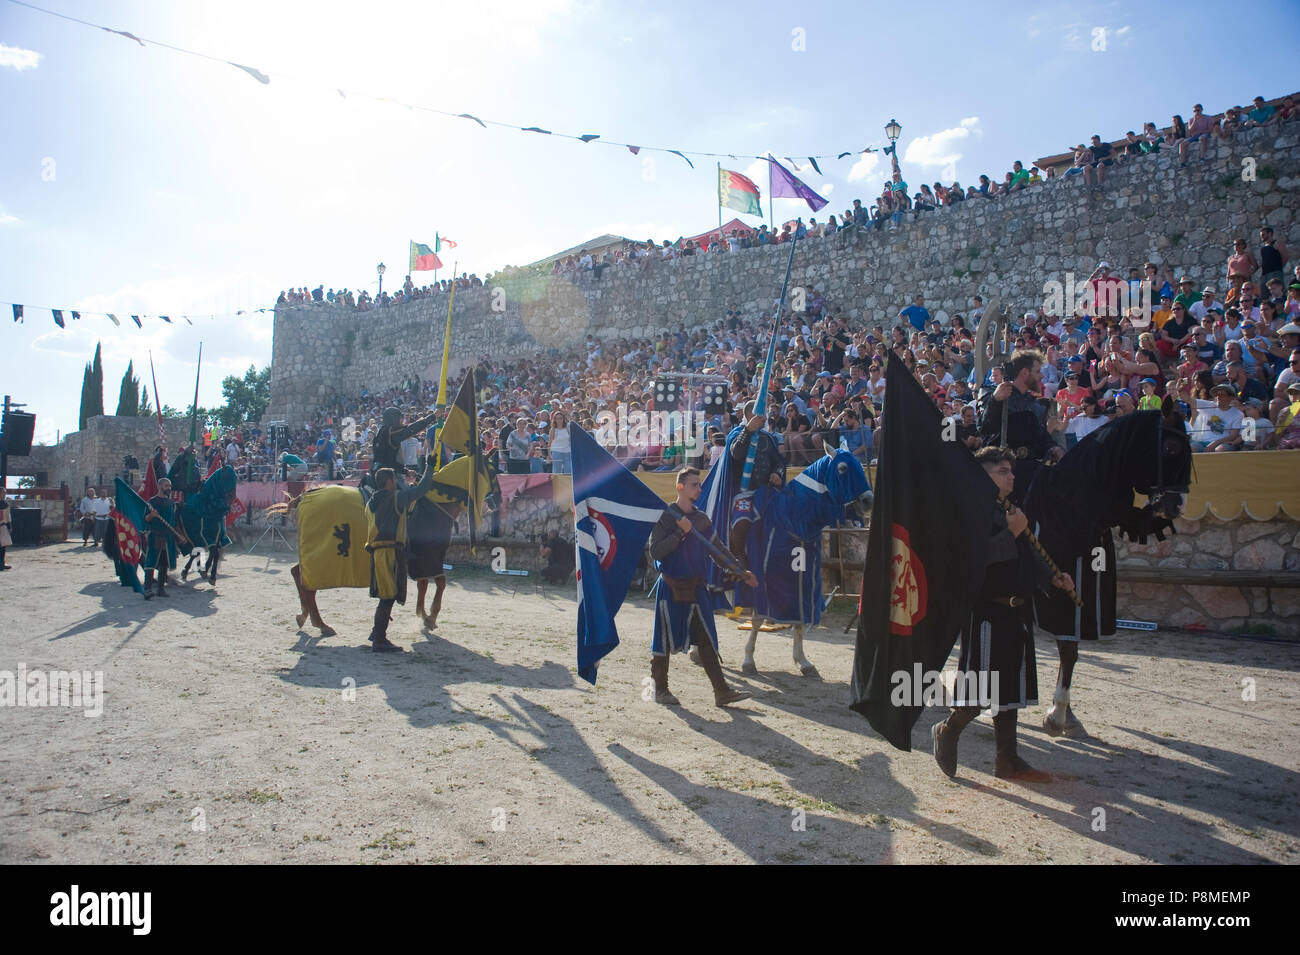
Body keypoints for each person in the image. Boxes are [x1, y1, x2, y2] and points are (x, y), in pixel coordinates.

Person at [931, 447, 1075, 782]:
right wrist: (1011, 531)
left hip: (1017, 612)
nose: (1011, 476)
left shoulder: (1010, 510)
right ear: (983, 476)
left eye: (1011, 471)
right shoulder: (970, 513)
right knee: (981, 688)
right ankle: (947, 731)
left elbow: (1028, 554)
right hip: (986, 613)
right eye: (1002, 471)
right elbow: (973, 559)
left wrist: (1051, 577)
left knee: (1010, 690)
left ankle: (1007, 760)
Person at [648, 467, 756, 708]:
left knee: (706, 638)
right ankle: (660, 689)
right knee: (663, 640)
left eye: (699, 484)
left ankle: (722, 691)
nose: (699, 488)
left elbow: (718, 551)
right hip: (671, 587)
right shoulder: (666, 516)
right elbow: (656, 551)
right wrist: (680, 532)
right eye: (694, 484)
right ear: (680, 487)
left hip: (696, 588)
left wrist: (740, 571)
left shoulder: (701, 519)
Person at [365, 458, 437, 652]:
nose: (396, 482)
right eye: (394, 480)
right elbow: (421, 490)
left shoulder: (371, 502)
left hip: (377, 552)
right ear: (389, 481)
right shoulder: (396, 498)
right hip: (390, 552)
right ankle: (379, 640)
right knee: (388, 596)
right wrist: (430, 467)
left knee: (385, 594)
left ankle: (376, 631)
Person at [979, 349, 1065, 504]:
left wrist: (1053, 448)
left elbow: (1040, 436)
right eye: (1037, 371)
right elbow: (985, 428)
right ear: (1025, 373)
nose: (1042, 376)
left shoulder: (1035, 405)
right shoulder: (998, 397)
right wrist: (995, 401)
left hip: (1029, 474)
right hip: (1003, 472)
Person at [725, 401, 786, 569]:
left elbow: (779, 462)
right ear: (749, 416)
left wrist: (777, 473)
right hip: (742, 493)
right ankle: (738, 558)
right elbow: (736, 454)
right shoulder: (737, 434)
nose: (765, 418)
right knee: (741, 523)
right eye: (761, 415)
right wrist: (747, 431)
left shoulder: (769, 438)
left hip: (766, 492)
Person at [143, 477, 184, 600]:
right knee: (151, 561)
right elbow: (145, 519)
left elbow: (173, 522)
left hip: (169, 537)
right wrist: (152, 515)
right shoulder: (152, 502)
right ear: (160, 486)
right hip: (156, 536)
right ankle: (147, 589)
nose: (169, 488)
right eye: (166, 486)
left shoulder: (171, 503)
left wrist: (179, 535)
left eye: (170, 486)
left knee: (164, 563)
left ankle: (161, 589)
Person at [370, 407, 437, 482]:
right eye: (399, 418)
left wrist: (406, 471)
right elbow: (410, 429)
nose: (402, 420)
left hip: (380, 474)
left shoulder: (381, 432)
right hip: (387, 479)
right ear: (393, 419)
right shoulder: (390, 432)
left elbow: (389, 460)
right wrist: (432, 417)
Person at [0, 491, 11, 570]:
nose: (4, 494)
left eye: (5, 493)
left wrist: (9, 526)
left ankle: (2, 563)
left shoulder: (5, 503)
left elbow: (8, 516)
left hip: (2, 526)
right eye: (3, 492)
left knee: (3, 546)